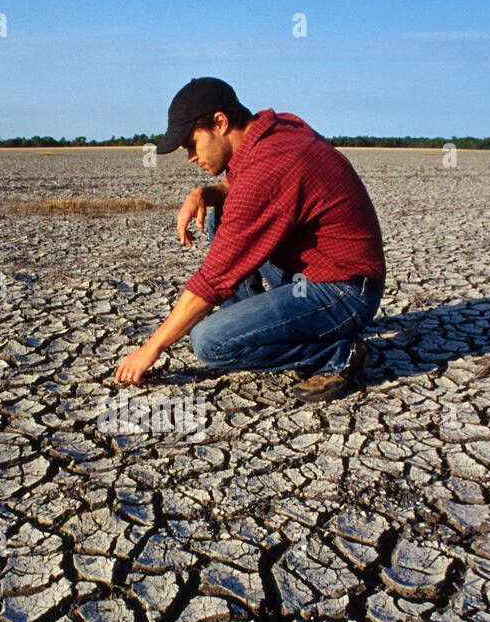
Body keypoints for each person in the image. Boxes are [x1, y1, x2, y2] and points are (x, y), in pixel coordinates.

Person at [114, 77, 386, 402]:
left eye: (190, 143)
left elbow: (212, 282)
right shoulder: (276, 130)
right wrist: (206, 192)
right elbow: (246, 184)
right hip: (316, 272)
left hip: (345, 292)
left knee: (208, 341)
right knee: (222, 212)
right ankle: (257, 324)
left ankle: (335, 354)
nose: (189, 156)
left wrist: (151, 348)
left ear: (220, 122)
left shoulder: (269, 169)